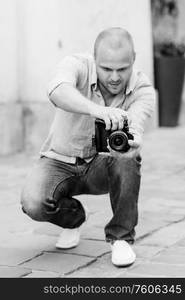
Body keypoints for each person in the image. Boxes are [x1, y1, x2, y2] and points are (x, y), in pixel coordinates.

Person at [21, 27, 155, 267]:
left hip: (103, 167)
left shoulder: (142, 89)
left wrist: (132, 142)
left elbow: (135, 127)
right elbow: (56, 90)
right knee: (33, 202)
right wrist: (98, 111)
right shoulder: (76, 64)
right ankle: (73, 219)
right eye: (106, 69)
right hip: (59, 160)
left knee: (128, 157)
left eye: (122, 69)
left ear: (134, 59)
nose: (114, 77)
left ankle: (121, 238)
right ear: (94, 59)